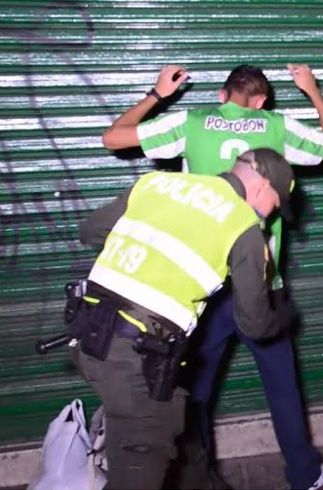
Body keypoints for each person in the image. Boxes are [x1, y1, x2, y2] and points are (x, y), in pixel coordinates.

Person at [101, 64, 323, 490]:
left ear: (222, 95)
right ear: (260, 101)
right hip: (261, 281)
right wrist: (312, 90)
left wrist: (157, 94)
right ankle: (305, 474)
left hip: (203, 286)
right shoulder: (277, 125)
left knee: (194, 388)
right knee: (283, 386)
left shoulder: (191, 123)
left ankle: (196, 475)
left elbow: (113, 138)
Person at [73, 149, 296, 489]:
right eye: (276, 204)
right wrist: (283, 316)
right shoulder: (243, 225)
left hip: (88, 332)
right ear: (265, 186)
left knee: (178, 428)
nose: (273, 213)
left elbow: (89, 231)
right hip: (135, 353)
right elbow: (253, 323)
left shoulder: (156, 183)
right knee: (139, 463)